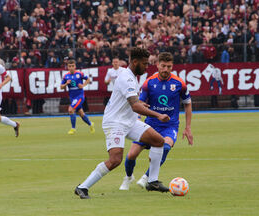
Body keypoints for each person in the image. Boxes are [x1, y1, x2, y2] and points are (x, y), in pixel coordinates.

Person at [74, 47, 170, 199]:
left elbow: (133, 102)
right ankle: (82, 187)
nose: (146, 67)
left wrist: (140, 104)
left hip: (129, 121)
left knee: (158, 141)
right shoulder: (127, 77)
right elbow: (134, 105)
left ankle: (152, 181)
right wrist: (158, 115)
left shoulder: (131, 76)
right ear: (135, 62)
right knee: (115, 160)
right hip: (115, 122)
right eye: (144, 64)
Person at [119, 52, 193, 190]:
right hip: (150, 124)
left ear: (172, 67)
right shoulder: (149, 83)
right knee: (131, 155)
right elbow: (140, 103)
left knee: (164, 147)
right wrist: (138, 119)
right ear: (157, 65)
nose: (166, 69)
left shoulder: (179, 83)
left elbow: (188, 103)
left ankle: (147, 178)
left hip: (169, 126)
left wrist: (187, 127)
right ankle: (128, 177)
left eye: (169, 67)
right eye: (163, 66)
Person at [60, 59, 95, 135]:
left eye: (73, 66)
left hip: (79, 96)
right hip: (72, 97)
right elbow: (61, 87)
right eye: (70, 66)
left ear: (75, 66)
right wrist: (66, 83)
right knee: (81, 113)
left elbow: (88, 80)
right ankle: (90, 124)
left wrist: (83, 85)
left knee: (71, 109)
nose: (71, 67)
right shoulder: (66, 76)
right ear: (68, 67)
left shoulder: (80, 74)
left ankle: (73, 128)